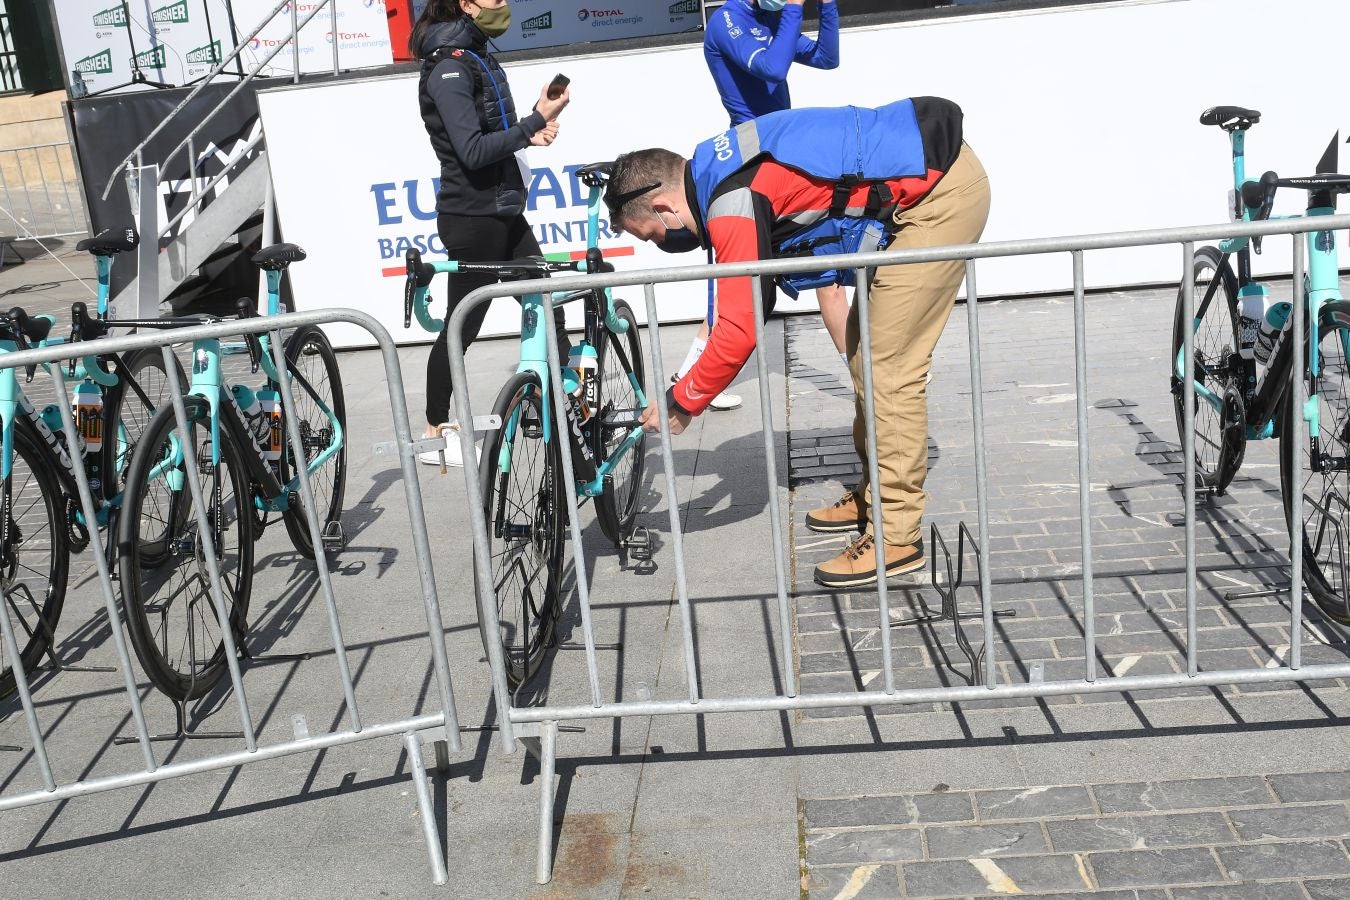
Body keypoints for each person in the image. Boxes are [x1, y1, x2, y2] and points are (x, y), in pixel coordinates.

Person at [605, 98, 991, 588]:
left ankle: (896, 537)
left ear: (663, 206)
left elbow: (739, 327)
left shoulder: (730, 201)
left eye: (653, 235)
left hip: (936, 196)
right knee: (863, 354)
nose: (661, 243)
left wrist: (683, 400)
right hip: (924, 181)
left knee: (887, 368)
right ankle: (874, 495)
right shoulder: (711, 165)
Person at [410, 0, 569, 466]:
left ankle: (560, 407)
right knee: (463, 326)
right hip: (473, 220)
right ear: (465, 4)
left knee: (543, 305)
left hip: (503, 211)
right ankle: (435, 428)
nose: (505, 5)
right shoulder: (448, 68)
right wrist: (535, 121)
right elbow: (472, 151)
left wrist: (528, 135)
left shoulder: (473, 50)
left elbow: (491, 135)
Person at [678, 0, 846, 407]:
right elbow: (772, 68)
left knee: (827, 268)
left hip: (781, 155)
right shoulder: (727, 20)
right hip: (750, 159)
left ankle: (867, 371)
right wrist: (792, 9)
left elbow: (827, 58)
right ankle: (689, 377)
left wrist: (827, 6)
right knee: (739, 281)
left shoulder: (771, 18)